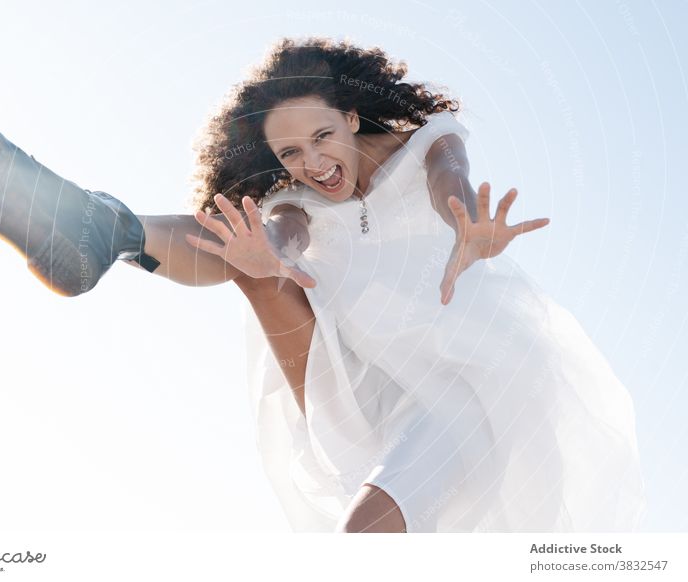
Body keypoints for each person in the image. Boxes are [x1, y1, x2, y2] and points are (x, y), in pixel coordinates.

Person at [183, 37, 647, 533]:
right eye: (292, 152)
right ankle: (114, 232)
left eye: (323, 135)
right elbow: (285, 229)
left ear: (353, 118)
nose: (313, 162)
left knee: (362, 536)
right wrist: (274, 250)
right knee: (249, 273)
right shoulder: (296, 196)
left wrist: (466, 222)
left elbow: (450, 176)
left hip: (456, 388)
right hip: (360, 388)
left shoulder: (429, 140)